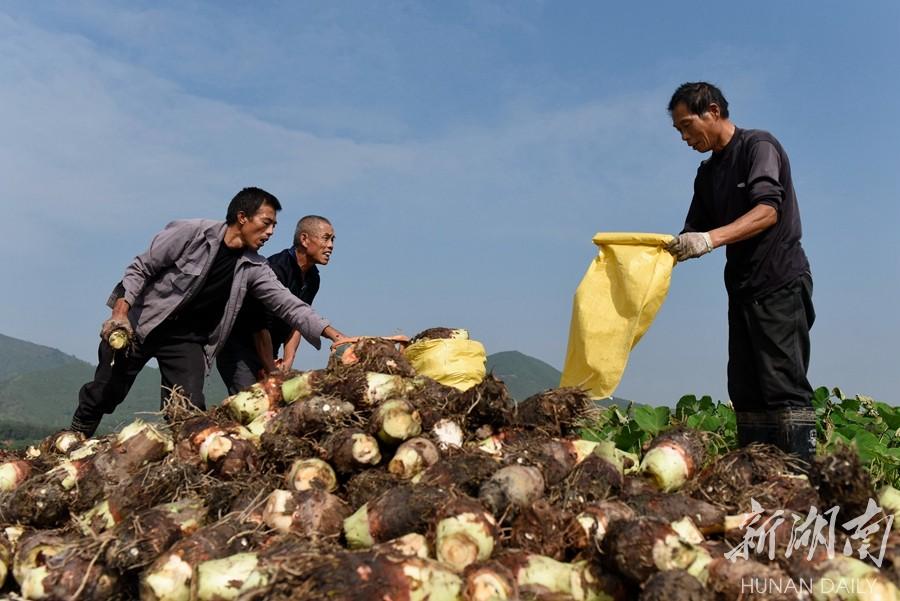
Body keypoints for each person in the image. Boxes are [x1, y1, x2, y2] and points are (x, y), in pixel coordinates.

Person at [70, 187, 349, 436]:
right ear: (242, 217)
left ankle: (182, 468)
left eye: (274, 226)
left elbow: (288, 304)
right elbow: (141, 268)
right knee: (106, 393)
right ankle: (74, 440)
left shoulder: (255, 267)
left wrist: (335, 335)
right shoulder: (192, 233)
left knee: (188, 412)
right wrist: (120, 314)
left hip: (186, 339)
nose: (270, 233)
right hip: (143, 324)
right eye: (266, 224)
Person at [665, 82, 816, 461]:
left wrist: (710, 239)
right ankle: (757, 479)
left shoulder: (758, 147)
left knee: (783, 385)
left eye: (687, 125)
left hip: (779, 282)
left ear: (713, 112)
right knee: (745, 388)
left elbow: (768, 210)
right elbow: (691, 234)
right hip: (743, 289)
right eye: (679, 131)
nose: (684, 137)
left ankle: (799, 479)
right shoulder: (707, 174)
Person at [217, 215, 335, 394]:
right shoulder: (275, 269)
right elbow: (258, 325)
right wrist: (271, 370)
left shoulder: (313, 279)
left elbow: (299, 321)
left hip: (269, 353)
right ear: (304, 239)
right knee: (251, 404)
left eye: (332, 240)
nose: (330, 246)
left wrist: (287, 362)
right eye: (326, 238)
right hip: (241, 350)